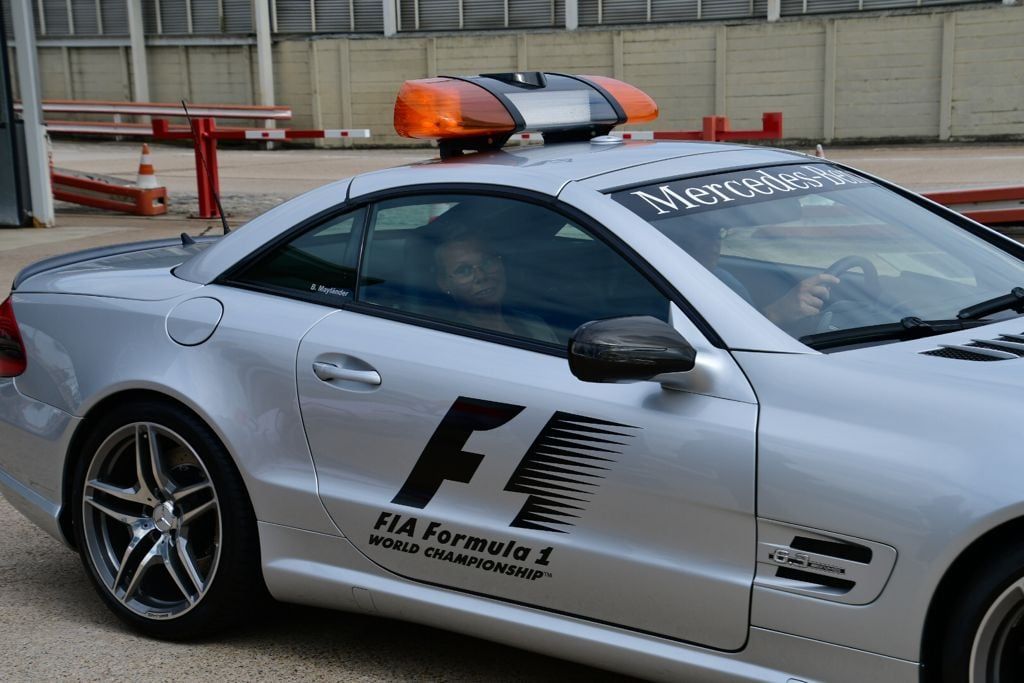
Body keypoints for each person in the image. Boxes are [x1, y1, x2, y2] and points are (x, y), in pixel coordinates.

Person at [676, 224, 840, 327]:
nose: (716, 241)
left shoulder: (723, 280)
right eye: (706, 233)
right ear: (677, 238)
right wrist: (776, 313)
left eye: (719, 232)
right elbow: (734, 346)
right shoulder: (662, 291)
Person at [434, 235, 558, 343]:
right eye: (464, 270)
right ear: (444, 284)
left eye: (487, 262)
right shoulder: (448, 339)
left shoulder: (534, 325)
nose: (481, 276)